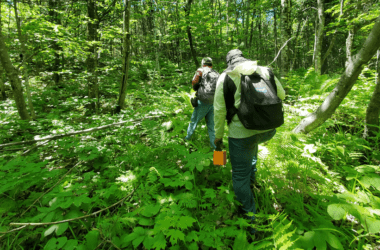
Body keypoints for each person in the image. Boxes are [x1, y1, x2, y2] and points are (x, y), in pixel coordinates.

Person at [213, 49, 285, 234]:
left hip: (241, 133)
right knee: (252, 147)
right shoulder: (265, 71)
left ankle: (251, 218)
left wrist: (218, 137)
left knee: (238, 175)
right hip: (268, 130)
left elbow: (220, 111)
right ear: (244, 57)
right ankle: (252, 180)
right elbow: (282, 95)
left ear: (228, 61)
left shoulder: (226, 76)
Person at [185, 57, 219, 149]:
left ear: (203, 63)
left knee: (193, 122)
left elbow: (194, 82)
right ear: (211, 64)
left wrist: (197, 89)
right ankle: (219, 159)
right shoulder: (216, 73)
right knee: (212, 128)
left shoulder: (200, 70)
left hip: (203, 102)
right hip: (214, 103)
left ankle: (186, 143)